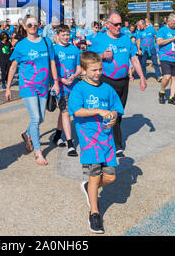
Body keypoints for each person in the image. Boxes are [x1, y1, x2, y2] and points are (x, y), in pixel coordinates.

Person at [68, 51, 124, 234]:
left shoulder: (107, 88)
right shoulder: (79, 88)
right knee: (94, 176)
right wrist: (99, 111)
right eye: (93, 70)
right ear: (83, 70)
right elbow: (76, 111)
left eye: (100, 69)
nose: (98, 73)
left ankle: (88, 188)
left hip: (107, 140)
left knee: (110, 177)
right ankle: (94, 213)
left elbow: (116, 109)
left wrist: (113, 117)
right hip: (89, 141)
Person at [90, 10, 146, 155]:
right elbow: (88, 58)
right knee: (110, 112)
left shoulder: (126, 38)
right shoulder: (99, 39)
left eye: (120, 24)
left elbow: (134, 59)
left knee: (119, 113)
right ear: (108, 24)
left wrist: (142, 77)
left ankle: (110, 138)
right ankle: (116, 144)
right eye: (116, 24)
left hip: (123, 81)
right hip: (106, 81)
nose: (119, 27)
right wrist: (101, 55)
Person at [5, 15, 59, 166]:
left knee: (41, 118)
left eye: (35, 24)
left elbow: (52, 63)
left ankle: (27, 133)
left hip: (44, 85)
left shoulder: (47, 42)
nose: (33, 27)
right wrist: (8, 87)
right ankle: (38, 152)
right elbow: (13, 66)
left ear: (40, 24)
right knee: (35, 118)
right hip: (28, 85)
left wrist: (55, 82)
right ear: (24, 27)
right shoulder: (21, 46)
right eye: (29, 25)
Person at [52, 24, 81, 156]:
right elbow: (51, 69)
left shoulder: (75, 49)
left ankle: (57, 136)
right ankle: (70, 144)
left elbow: (79, 67)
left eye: (67, 35)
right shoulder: (54, 50)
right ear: (58, 35)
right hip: (61, 86)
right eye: (63, 35)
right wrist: (60, 80)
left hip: (73, 85)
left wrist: (75, 75)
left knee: (65, 112)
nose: (65, 37)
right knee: (65, 112)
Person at [156, 13, 175, 105]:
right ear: (168, 22)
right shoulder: (162, 30)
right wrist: (171, 39)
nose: (174, 25)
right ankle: (162, 92)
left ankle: (172, 97)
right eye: (173, 23)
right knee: (167, 77)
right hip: (165, 57)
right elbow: (159, 42)